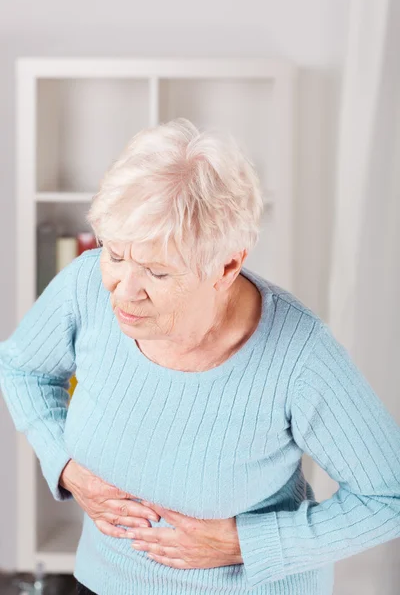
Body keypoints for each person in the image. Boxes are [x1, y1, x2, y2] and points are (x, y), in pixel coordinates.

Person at [1, 118, 399, 595]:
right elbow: (23, 366)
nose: (123, 291)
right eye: (115, 253)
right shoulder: (86, 285)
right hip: (101, 582)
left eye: (157, 271)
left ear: (227, 265)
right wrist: (63, 462)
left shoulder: (301, 357)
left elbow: (389, 496)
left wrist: (245, 544)